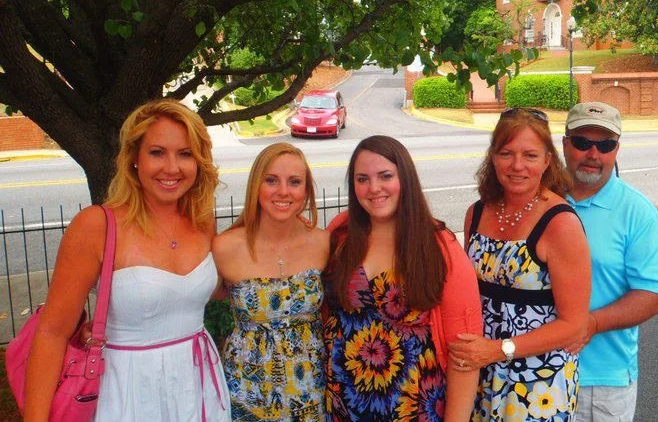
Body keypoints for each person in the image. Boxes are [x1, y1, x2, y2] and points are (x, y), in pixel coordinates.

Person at [24, 98, 230, 421]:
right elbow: (51, 333)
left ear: (199, 161)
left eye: (185, 154)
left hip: (199, 386)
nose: (172, 168)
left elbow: (217, 288)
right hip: (127, 392)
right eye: (157, 152)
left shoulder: (202, 219)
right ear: (134, 158)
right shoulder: (96, 226)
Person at [323, 135, 482, 421]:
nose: (374, 188)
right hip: (343, 406)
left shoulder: (438, 247)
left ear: (405, 178)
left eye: (385, 176)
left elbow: (465, 353)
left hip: (411, 410)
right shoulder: (341, 233)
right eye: (362, 179)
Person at [449, 107, 591, 422]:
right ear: (493, 157)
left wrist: (500, 349)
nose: (517, 165)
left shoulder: (560, 223)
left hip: (537, 384)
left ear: (547, 161)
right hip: (480, 375)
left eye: (529, 155)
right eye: (506, 153)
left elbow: (574, 324)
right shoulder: (477, 212)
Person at [562, 102, 658, 422]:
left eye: (606, 145)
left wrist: (592, 323)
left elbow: (654, 297)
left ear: (616, 149)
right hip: (538, 371)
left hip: (601, 386)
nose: (593, 154)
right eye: (583, 142)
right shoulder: (544, 200)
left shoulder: (637, 212)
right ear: (566, 143)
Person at [212, 143, 329, 420]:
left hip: (310, 388)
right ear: (256, 185)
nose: (283, 191)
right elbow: (199, 310)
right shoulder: (225, 247)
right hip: (247, 390)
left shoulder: (324, 243)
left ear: (306, 191)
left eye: (295, 182)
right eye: (271, 180)